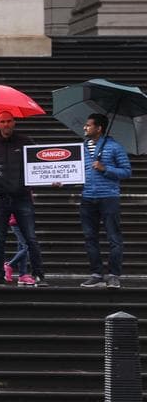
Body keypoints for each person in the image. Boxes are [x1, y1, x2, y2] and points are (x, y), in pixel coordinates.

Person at [0, 111, 46, 286]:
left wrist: (51, 178)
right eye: (3, 121)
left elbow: (39, 166)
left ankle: (38, 274)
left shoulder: (26, 142)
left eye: (9, 121)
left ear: (14, 122)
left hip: (22, 196)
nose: (6, 124)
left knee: (30, 237)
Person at [78, 113, 131, 288]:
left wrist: (105, 168)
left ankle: (114, 275)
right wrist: (63, 181)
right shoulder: (81, 148)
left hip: (108, 197)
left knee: (114, 237)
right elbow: (76, 172)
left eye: (88, 125)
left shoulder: (114, 147)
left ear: (99, 128)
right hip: (87, 198)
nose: (85, 128)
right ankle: (96, 274)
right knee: (89, 237)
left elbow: (126, 171)